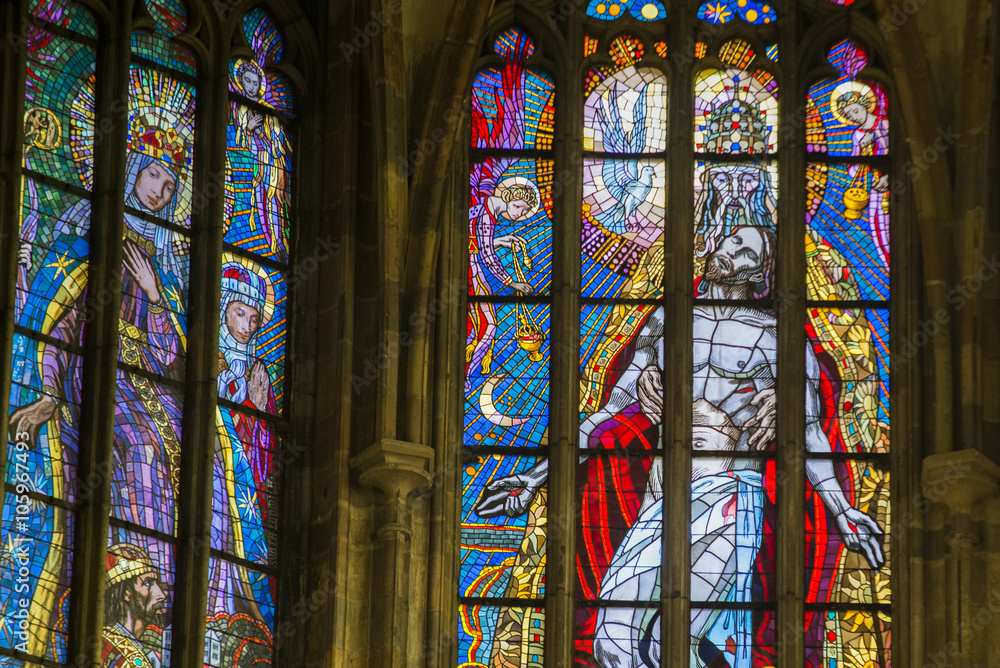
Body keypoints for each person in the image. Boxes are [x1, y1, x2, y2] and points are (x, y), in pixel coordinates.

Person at [476, 226, 884, 666]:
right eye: (728, 240)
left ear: (761, 270)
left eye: (746, 249)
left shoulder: (777, 336)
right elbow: (609, 412)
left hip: (730, 493)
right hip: (661, 496)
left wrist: (843, 511)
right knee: (612, 640)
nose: (729, 249)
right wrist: (532, 477)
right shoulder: (666, 321)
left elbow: (809, 431)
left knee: (690, 641)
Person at [10, 116, 189, 581]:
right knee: (142, 445)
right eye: (154, 175)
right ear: (132, 170)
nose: (160, 192)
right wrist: (49, 390)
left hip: (147, 384)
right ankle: (132, 582)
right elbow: (58, 320)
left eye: (171, 187)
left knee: (199, 453)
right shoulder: (84, 241)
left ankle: (168, 594)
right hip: (88, 374)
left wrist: (153, 293)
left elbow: (171, 355)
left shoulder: (159, 264)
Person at [228, 59, 291, 260]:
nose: (252, 86)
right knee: (259, 202)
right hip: (252, 165)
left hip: (273, 165)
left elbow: (278, 142)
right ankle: (268, 238)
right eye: (248, 81)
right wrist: (248, 130)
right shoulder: (241, 109)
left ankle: (278, 240)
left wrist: (271, 137)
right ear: (241, 82)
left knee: (275, 201)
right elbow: (238, 141)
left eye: (256, 82)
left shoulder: (268, 109)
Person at [102, 543, 169, 668]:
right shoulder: (105, 646)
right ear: (127, 594)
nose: (161, 595)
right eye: (148, 584)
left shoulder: (146, 652)